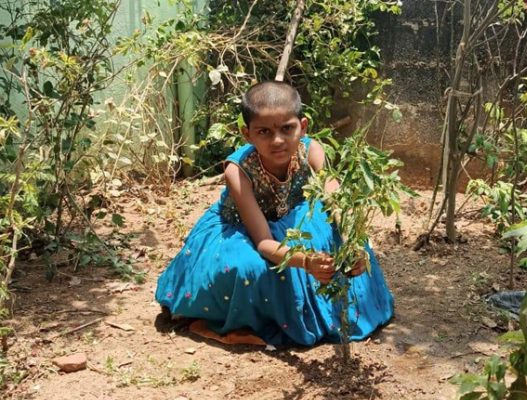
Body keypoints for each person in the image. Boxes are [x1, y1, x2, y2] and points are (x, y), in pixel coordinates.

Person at [155, 81, 394, 346]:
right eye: (264, 132)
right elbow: (264, 242)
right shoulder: (237, 171)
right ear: (247, 134)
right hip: (242, 231)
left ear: (302, 127)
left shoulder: (312, 150)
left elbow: (337, 203)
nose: (277, 140)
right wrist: (306, 262)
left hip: (291, 219)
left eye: (287, 129)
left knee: (339, 236)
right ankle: (242, 318)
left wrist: (354, 245)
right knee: (249, 270)